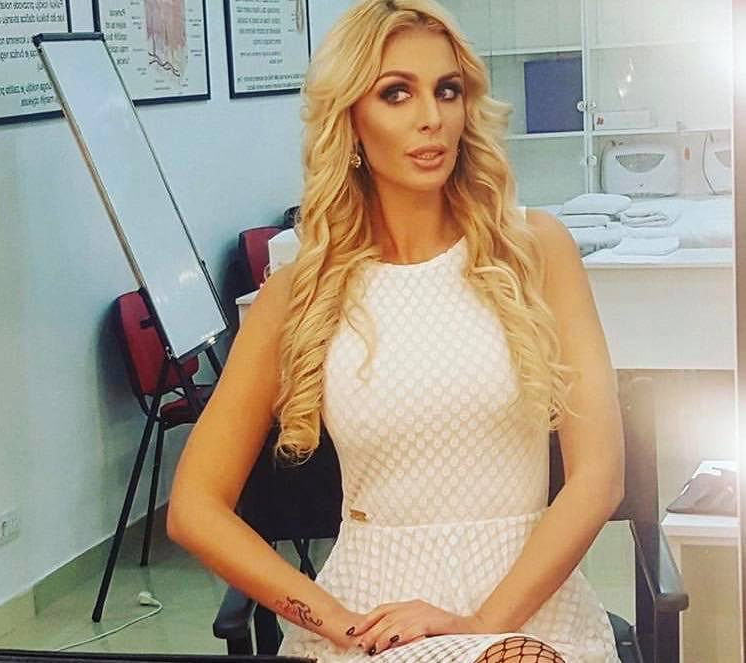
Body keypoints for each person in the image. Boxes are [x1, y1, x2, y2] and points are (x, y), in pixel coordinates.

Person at [167, 1, 624, 661]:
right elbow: (194, 506)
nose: (431, 116)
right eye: (396, 93)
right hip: (376, 617)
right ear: (350, 119)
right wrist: (332, 618)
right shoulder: (300, 292)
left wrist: (479, 623)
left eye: (447, 90)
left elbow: (598, 476)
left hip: (529, 605)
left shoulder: (536, 250)